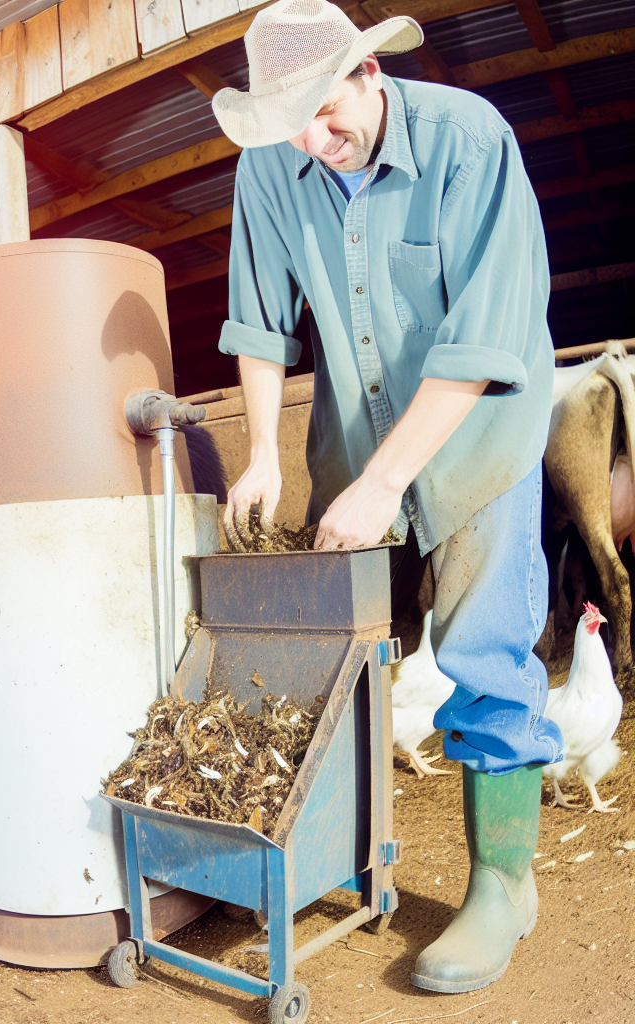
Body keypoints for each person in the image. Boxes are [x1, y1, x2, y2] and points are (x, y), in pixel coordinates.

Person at [210, 0, 564, 994]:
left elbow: (485, 337)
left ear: (369, 76)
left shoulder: (467, 141)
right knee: (340, 651)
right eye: (293, 132)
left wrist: (385, 481)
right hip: (350, 438)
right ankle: (332, 855)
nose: (314, 147)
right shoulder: (274, 163)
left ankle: (502, 884)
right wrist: (268, 455)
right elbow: (255, 319)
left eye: (327, 117)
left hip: (476, 435)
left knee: (483, 643)